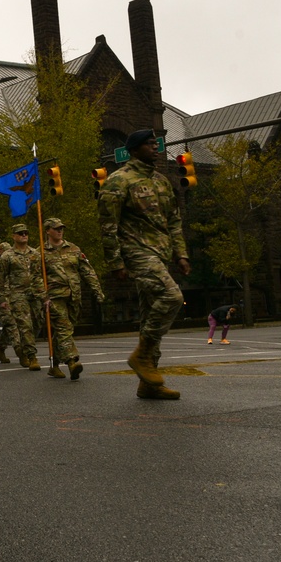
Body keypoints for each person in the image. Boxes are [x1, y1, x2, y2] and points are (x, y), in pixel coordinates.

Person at [98, 128, 191, 400]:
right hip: (136, 252)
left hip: (160, 254)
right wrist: (115, 263)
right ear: (134, 149)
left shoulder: (161, 181)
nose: (155, 148)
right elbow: (107, 226)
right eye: (149, 144)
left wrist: (181, 254)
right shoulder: (118, 181)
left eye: (156, 144)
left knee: (153, 314)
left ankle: (148, 384)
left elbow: (173, 220)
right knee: (172, 296)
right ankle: (141, 357)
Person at [41, 217, 105, 380]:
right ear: (48, 231)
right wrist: (43, 297)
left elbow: (87, 271)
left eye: (61, 228)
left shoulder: (74, 249)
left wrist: (97, 291)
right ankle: (72, 362)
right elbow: (35, 277)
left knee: (65, 331)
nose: (60, 231)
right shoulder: (40, 253)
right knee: (64, 328)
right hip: (54, 298)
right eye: (56, 228)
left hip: (74, 296)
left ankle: (54, 366)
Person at [0, 224, 46, 370]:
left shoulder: (35, 254)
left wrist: (44, 294)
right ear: (14, 236)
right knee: (25, 326)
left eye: (26, 232)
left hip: (35, 294)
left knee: (37, 322)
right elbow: (0, 279)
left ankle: (25, 348)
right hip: (17, 295)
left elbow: (40, 275)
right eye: (20, 233)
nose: (24, 235)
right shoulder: (7, 256)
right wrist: (2, 299)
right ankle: (31, 356)